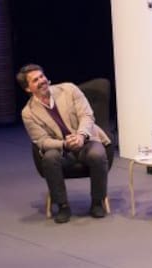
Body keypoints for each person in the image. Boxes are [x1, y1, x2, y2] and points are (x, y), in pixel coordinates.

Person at [17, 64, 112, 224]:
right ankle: (63, 206)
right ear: (28, 88)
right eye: (35, 80)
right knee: (49, 158)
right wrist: (64, 144)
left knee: (97, 153)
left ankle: (97, 202)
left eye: (42, 76)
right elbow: (42, 140)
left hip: (86, 140)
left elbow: (87, 115)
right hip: (61, 149)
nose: (41, 81)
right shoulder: (28, 113)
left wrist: (81, 135)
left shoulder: (69, 89)